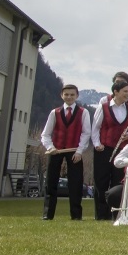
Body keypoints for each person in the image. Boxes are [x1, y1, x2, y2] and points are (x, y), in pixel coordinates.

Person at [40, 84, 92, 220]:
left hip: (75, 151)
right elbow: (45, 134)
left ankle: (76, 216)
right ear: (62, 95)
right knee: (51, 183)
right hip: (55, 151)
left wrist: (80, 151)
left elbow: (86, 133)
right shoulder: (54, 112)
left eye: (72, 95)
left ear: (77, 96)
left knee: (75, 184)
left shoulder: (83, 112)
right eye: (66, 94)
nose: (69, 97)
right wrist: (50, 147)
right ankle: (47, 214)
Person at [91, 79, 128, 220]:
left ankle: (116, 214)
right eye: (125, 91)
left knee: (118, 181)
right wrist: (97, 144)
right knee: (101, 182)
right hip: (103, 149)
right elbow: (95, 128)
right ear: (115, 92)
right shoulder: (103, 107)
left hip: (121, 150)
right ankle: (101, 215)